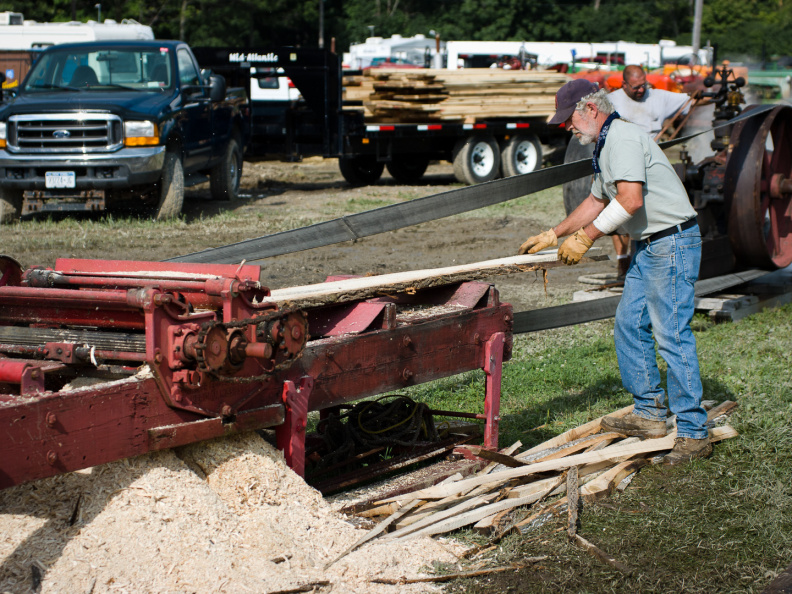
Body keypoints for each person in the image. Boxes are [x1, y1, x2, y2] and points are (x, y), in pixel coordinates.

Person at [518, 78, 710, 465]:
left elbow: (630, 200)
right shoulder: (606, 142)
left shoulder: (620, 138)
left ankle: (693, 432)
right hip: (651, 245)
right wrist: (554, 233)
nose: (566, 128)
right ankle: (651, 413)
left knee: (671, 333)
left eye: (568, 120)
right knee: (628, 323)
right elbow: (596, 198)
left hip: (670, 244)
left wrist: (586, 239)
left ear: (590, 109)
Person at [604, 65, 693, 277]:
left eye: (644, 85)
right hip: (622, 162)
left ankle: (648, 258)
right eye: (635, 87)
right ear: (624, 84)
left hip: (652, 164)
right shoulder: (610, 101)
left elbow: (691, 100)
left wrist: (701, 93)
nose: (641, 90)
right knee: (619, 211)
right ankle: (622, 259)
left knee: (649, 212)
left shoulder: (659, 97)